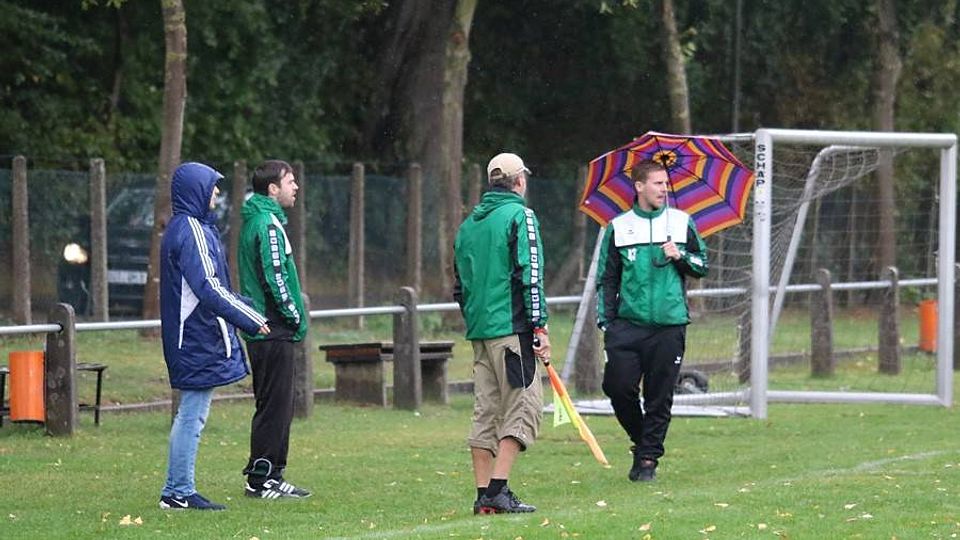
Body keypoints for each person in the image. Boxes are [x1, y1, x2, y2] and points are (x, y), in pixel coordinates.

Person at [159, 162, 270, 510]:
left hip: (196, 337)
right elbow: (208, 288)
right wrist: (249, 319)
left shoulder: (191, 228)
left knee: (192, 414)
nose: (217, 192)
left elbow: (213, 286)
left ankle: (177, 490)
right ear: (197, 189)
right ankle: (178, 491)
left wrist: (244, 308)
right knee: (191, 416)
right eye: (212, 186)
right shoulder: (190, 230)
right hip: (194, 339)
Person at [596, 159, 708, 482]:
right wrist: (607, 322)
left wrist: (680, 255)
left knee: (660, 396)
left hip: (669, 325)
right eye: (657, 183)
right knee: (617, 387)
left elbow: (702, 265)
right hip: (627, 326)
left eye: (665, 184)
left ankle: (647, 460)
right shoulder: (618, 227)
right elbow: (607, 279)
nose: (664, 189)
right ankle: (643, 439)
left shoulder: (682, 222)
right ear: (639, 186)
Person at [453, 152, 551, 514]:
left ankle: (483, 496)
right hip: (512, 330)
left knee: (486, 412)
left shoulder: (468, 226)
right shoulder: (521, 216)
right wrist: (539, 326)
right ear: (519, 181)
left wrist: (477, 320)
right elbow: (531, 274)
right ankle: (498, 489)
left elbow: (459, 286)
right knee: (525, 406)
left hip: (480, 332)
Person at [238, 160, 311, 499]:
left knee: (280, 404)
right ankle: (260, 478)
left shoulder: (264, 221)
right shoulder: (267, 225)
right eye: (290, 181)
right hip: (271, 328)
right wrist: (294, 316)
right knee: (273, 406)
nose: (295, 187)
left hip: (268, 327)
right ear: (272, 188)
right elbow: (275, 276)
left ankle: (273, 475)